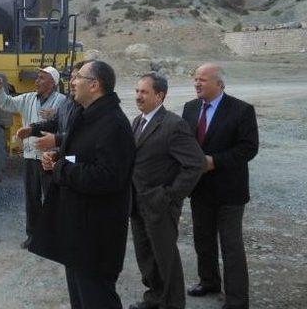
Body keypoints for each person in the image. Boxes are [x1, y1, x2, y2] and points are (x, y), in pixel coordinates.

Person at [29, 61, 135, 309]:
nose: (73, 82)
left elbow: (108, 177)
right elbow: (85, 156)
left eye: (79, 78)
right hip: (78, 230)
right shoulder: (88, 116)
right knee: (80, 299)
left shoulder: (114, 124)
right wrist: (59, 157)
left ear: (95, 85)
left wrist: (61, 168)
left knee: (97, 298)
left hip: (95, 236)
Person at [182, 63, 258, 309]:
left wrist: (215, 161)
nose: (197, 83)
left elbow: (248, 148)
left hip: (230, 191)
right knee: (203, 239)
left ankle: (237, 299)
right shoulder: (190, 108)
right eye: (195, 79)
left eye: (203, 79)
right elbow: (185, 143)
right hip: (200, 188)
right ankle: (209, 281)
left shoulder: (241, 110)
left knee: (231, 245)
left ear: (219, 84)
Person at [129, 73, 205, 309]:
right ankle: (154, 297)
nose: (138, 96)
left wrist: (170, 195)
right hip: (137, 202)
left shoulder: (174, 124)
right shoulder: (137, 121)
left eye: (144, 92)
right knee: (146, 255)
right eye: (137, 91)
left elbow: (195, 163)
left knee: (165, 257)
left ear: (159, 95)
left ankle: (172, 303)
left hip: (160, 204)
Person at [0, 66, 66, 249]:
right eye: (37, 77)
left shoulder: (62, 102)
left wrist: (55, 115)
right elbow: (7, 103)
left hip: (50, 158)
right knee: (32, 198)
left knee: (51, 198)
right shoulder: (27, 98)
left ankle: (53, 236)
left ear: (53, 83)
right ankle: (33, 236)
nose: (36, 81)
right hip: (30, 157)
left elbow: (65, 126)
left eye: (42, 78)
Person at [16, 61, 87, 154]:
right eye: (71, 77)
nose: (71, 82)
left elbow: (85, 138)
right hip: (43, 156)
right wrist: (32, 129)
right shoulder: (68, 102)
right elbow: (55, 123)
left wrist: (56, 140)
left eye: (77, 78)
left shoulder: (98, 112)